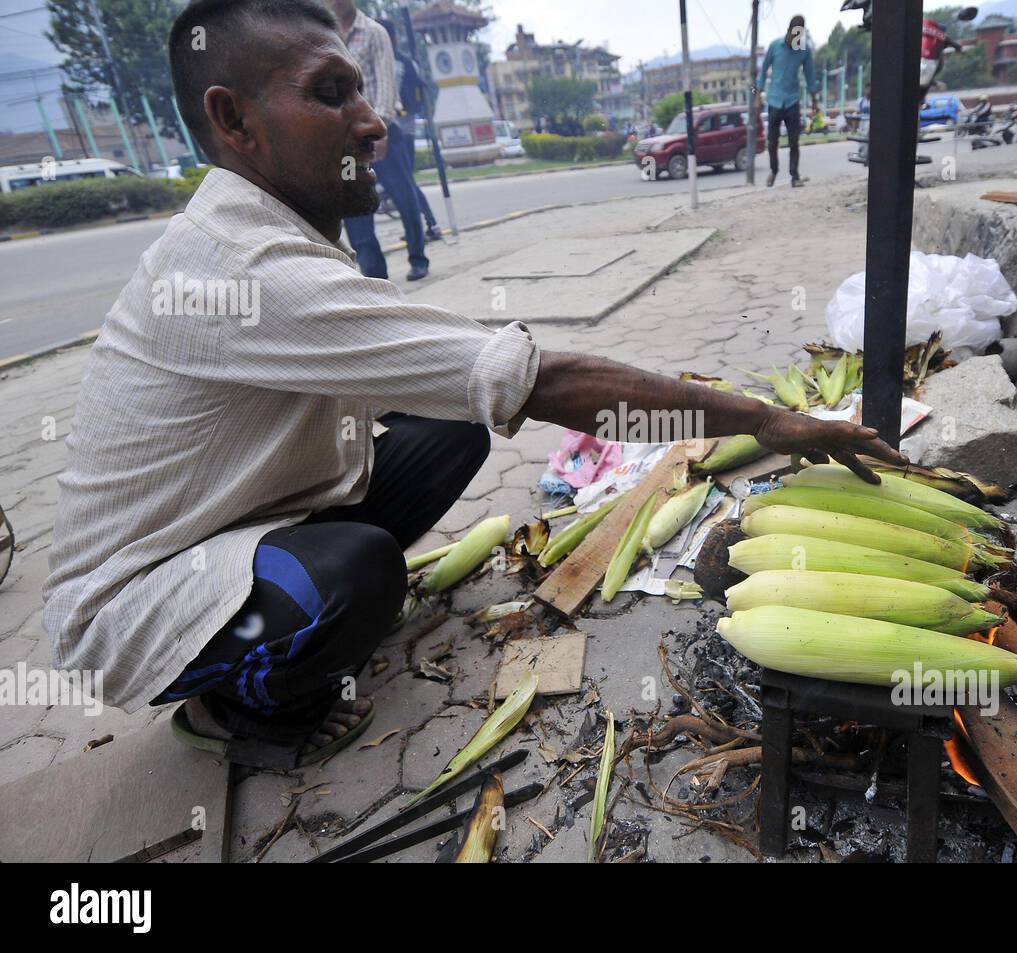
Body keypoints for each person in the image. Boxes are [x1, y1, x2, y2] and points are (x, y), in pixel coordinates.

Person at [42, 0, 907, 768]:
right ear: (235, 120)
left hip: (243, 517)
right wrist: (770, 421)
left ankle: (296, 601)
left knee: (451, 429)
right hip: (134, 600)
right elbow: (538, 380)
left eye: (361, 90)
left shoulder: (280, 235)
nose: (372, 121)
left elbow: (444, 372)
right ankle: (244, 712)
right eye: (332, 92)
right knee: (359, 570)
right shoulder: (242, 269)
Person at [329, 0, 428, 281]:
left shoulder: (374, 32)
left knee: (404, 197)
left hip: (381, 130)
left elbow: (386, 83)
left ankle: (418, 257)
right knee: (355, 208)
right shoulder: (325, 37)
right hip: (345, 140)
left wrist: (380, 129)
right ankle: (375, 279)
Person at [378, 16, 441, 242]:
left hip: (402, 130)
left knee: (407, 182)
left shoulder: (402, 63)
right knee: (400, 184)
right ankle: (414, 228)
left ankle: (430, 224)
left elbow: (416, 98)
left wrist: (401, 111)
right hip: (383, 131)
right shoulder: (376, 61)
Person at [756, 14, 820, 188]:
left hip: (792, 100)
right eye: (794, 36)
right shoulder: (775, 46)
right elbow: (763, 71)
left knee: (794, 141)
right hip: (775, 100)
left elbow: (810, 76)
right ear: (789, 31)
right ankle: (774, 170)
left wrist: (814, 101)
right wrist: (758, 95)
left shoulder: (804, 50)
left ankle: (794, 176)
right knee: (772, 141)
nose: (796, 40)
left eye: (800, 37)